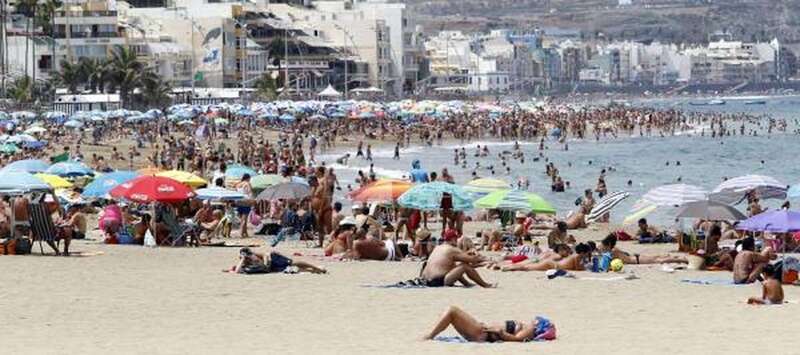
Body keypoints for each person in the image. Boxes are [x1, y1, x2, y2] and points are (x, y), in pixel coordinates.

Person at [422, 306, 556, 342]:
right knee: (450, 313)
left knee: (452, 311)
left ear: (540, 325)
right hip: (482, 332)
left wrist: (500, 332)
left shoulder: (530, 329)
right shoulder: (528, 327)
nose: (535, 319)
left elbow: (517, 339)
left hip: (482, 333)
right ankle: (431, 334)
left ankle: (430, 335)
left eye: (538, 320)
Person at [419, 229, 495, 287]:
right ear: (453, 239)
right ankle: (485, 285)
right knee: (464, 267)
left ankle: (467, 284)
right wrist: (483, 258)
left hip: (425, 280)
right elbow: (473, 260)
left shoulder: (437, 247)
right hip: (438, 281)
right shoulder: (452, 249)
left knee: (453, 266)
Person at [227, 247, 326, 274]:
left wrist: (267, 263)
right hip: (271, 267)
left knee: (293, 262)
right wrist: (243, 259)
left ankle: (316, 267)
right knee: (289, 269)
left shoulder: (254, 254)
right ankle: (314, 270)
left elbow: (265, 254)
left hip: (273, 259)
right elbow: (237, 271)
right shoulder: (245, 261)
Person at [502, 243, 593, 272]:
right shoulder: (577, 257)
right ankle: (508, 268)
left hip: (551, 264)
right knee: (527, 267)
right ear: (583, 252)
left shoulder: (574, 256)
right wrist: (586, 266)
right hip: (551, 265)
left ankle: (508, 267)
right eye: (587, 253)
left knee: (528, 267)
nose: (587, 255)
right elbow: (578, 268)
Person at [235, 174, 254, 239]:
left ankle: (245, 232)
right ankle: (240, 233)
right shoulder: (247, 184)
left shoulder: (238, 184)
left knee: (242, 219)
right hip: (246, 202)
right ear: (248, 178)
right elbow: (250, 193)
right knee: (244, 219)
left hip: (238, 201)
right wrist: (252, 201)